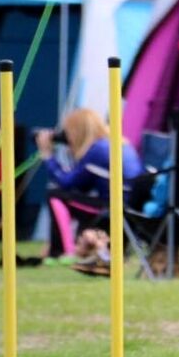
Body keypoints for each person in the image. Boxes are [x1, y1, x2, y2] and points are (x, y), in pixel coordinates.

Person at [35, 108, 142, 262]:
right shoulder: (116, 143)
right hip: (128, 209)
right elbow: (82, 185)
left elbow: (67, 183)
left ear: (77, 132)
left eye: (68, 133)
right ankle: (78, 245)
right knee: (73, 198)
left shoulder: (97, 150)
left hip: (112, 209)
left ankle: (62, 251)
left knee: (55, 195)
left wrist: (48, 156)